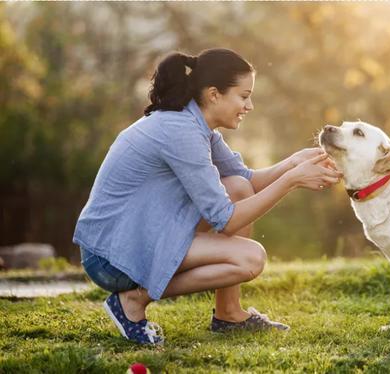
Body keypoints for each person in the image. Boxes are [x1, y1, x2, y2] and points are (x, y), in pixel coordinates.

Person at [72, 48, 342, 345]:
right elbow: (225, 220)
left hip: (141, 237)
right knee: (250, 259)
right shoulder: (180, 131)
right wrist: (292, 180)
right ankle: (133, 300)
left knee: (238, 187)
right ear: (214, 94)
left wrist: (293, 163)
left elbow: (248, 182)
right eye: (243, 96)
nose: (249, 105)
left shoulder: (196, 125)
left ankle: (229, 314)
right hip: (111, 257)